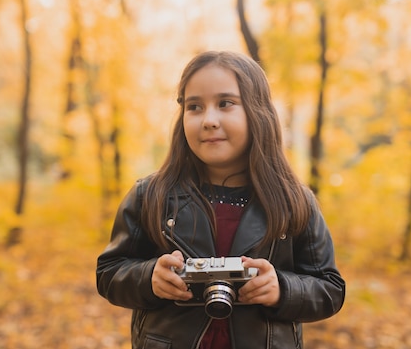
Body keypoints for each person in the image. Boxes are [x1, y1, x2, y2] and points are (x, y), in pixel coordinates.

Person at [96, 51, 345, 349]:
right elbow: (109, 273)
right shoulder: (151, 195)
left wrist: (282, 288)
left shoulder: (292, 201)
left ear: (257, 112)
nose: (209, 120)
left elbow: (330, 288)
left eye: (225, 103)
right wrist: (149, 277)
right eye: (195, 107)